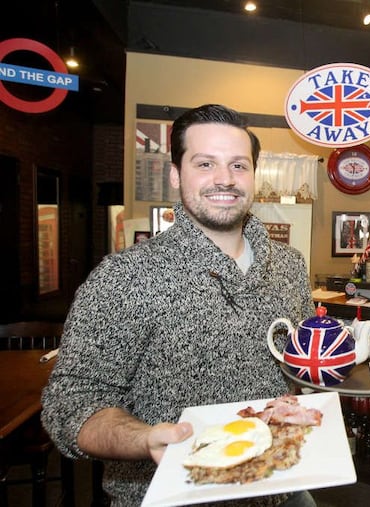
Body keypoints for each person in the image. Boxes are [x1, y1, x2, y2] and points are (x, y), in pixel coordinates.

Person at [42, 104, 316, 506]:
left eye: (239, 166)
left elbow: (301, 365)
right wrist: (144, 439)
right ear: (175, 174)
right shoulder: (124, 276)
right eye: (205, 163)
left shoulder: (290, 266)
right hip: (168, 496)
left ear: (254, 177)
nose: (225, 179)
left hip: (281, 487)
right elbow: (71, 402)